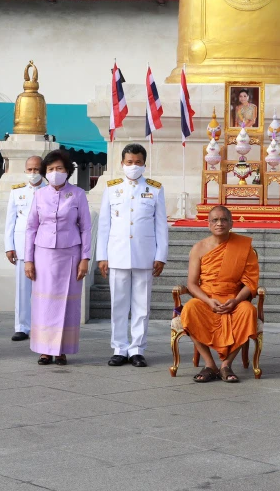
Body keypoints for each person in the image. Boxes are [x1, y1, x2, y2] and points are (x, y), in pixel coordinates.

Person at [97, 143, 167, 367]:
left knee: (141, 305)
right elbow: (104, 225)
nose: (133, 166)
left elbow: (161, 225)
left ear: (144, 164)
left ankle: (137, 348)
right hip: (117, 254)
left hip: (145, 254)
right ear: (121, 164)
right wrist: (102, 256)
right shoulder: (112, 188)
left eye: (138, 162)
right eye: (129, 162)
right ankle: (119, 347)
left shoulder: (155, 189)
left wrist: (161, 255)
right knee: (118, 304)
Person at [25, 149, 91, 365]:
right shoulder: (39, 195)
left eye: (59, 168)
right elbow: (31, 228)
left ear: (67, 171)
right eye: (51, 169)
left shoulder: (78, 194)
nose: (55, 172)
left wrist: (85, 258)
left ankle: (61, 349)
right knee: (44, 303)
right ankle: (44, 349)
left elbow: (86, 228)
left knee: (66, 303)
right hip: (43, 253)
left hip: (70, 253)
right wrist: (28, 259)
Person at [181, 206, 259, 382]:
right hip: (207, 299)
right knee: (190, 309)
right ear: (208, 224)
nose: (219, 223)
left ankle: (226, 365)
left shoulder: (243, 246)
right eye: (215, 220)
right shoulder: (199, 248)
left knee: (248, 311)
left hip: (234, 298)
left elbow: (251, 282)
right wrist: (208, 301)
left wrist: (237, 299)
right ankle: (210, 364)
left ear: (231, 223)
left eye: (224, 220)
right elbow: (192, 284)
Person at [4, 155, 45, 341]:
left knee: (44, 288)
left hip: (44, 246)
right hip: (21, 246)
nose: (33, 173)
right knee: (22, 289)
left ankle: (42, 325)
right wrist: (9, 246)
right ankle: (22, 326)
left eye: (37, 169)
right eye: (30, 169)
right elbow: (10, 222)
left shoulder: (50, 191)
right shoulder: (17, 192)